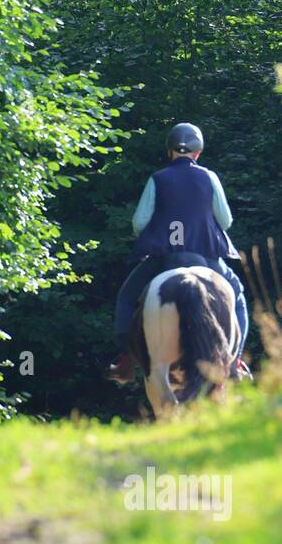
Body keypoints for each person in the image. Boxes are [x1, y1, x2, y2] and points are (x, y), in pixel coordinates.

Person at [107, 123, 251, 382]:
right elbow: (226, 221)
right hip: (206, 258)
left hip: (164, 259)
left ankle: (126, 361)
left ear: (169, 152)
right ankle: (235, 361)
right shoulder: (209, 177)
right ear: (198, 153)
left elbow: (139, 222)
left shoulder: (157, 178)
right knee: (238, 297)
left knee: (126, 298)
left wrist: (157, 238)